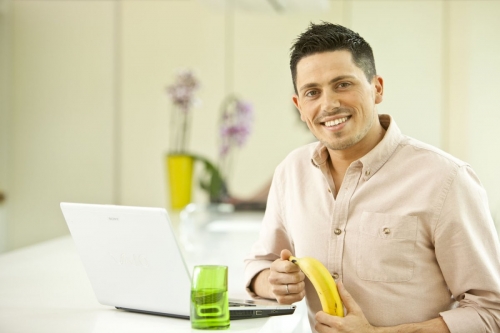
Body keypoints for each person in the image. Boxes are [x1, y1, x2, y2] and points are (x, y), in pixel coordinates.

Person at [244, 22, 500, 333]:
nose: (329, 105)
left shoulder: (446, 179)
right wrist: (273, 282)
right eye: (313, 92)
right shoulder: (291, 171)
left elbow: (491, 312)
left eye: (342, 84)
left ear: (376, 88)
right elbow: (259, 264)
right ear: (299, 105)